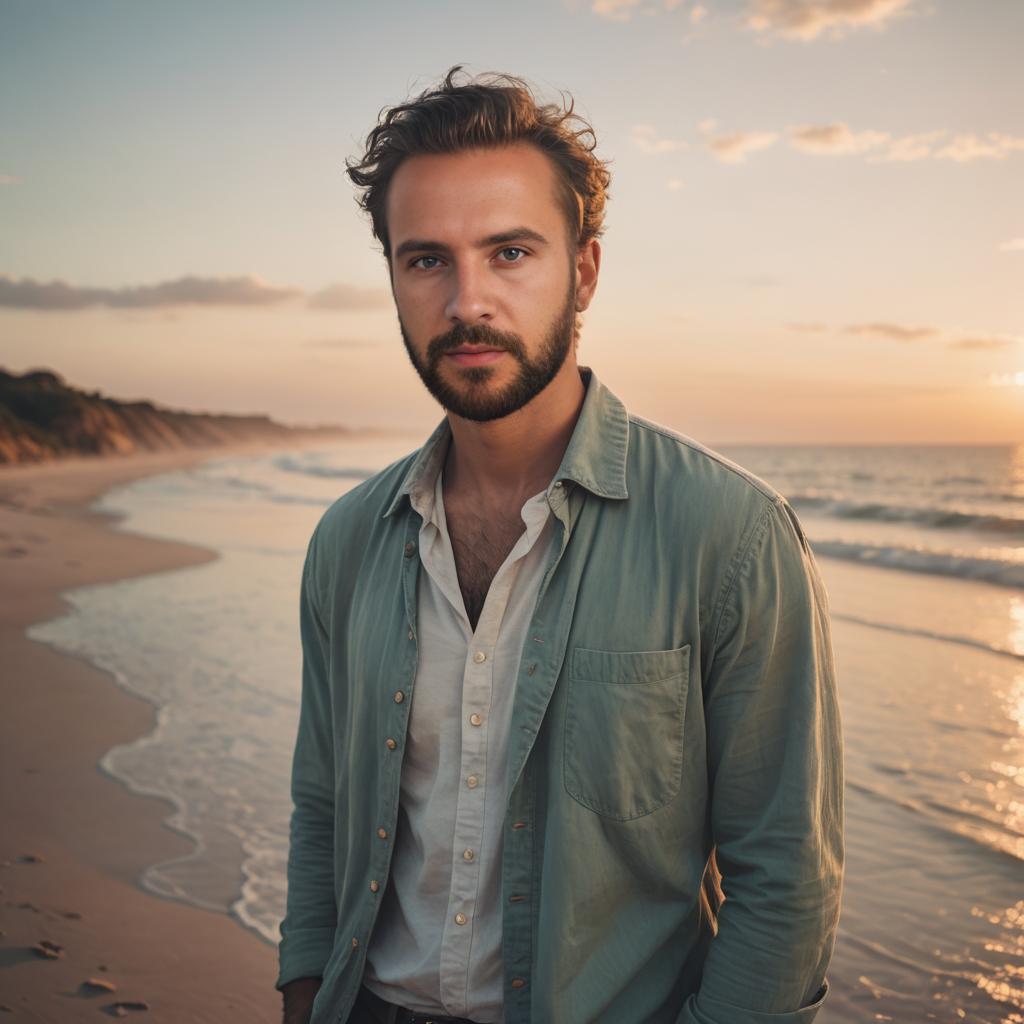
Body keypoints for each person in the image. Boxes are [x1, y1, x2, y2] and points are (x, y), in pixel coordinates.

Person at [276, 66, 844, 1024]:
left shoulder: (731, 538)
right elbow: (323, 811)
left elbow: (785, 880)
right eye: (426, 260)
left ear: (582, 270)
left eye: (509, 253)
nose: (467, 302)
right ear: (393, 279)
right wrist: (302, 997)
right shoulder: (347, 543)